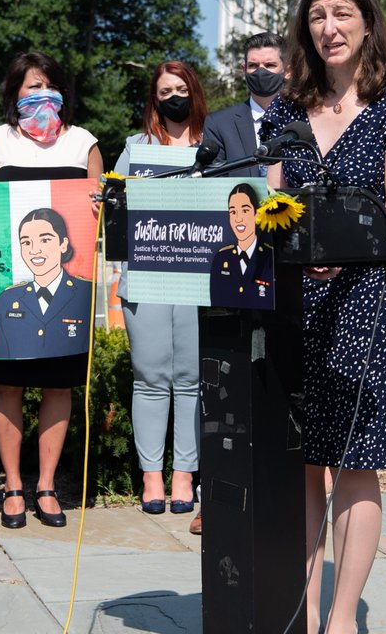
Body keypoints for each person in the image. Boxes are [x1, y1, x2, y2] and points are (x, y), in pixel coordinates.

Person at [263, 0, 386, 634]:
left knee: (355, 464)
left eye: (342, 14)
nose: (329, 29)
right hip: (293, 307)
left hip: (366, 304)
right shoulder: (285, 104)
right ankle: (304, 615)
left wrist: (341, 247)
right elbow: (274, 206)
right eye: (316, 17)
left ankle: (340, 620)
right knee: (303, 465)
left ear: (366, 20)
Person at [0, 51, 103, 529]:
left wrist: (108, 202)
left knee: (59, 385)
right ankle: (13, 485)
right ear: (13, 94)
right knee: (9, 385)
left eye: (46, 85)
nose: (38, 95)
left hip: (69, 291)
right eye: (28, 87)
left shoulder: (84, 143)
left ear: (62, 91)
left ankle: (46, 485)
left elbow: (101, 210)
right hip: (7, 289)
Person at [114, 60, 209, 535]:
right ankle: (152, 475)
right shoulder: (135, 149)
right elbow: (114, 208)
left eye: (180, 88)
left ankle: (184, 475)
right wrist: (106, 201)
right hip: (147, 278)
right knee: (150, 379)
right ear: (154, 99)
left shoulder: (215, 148)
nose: (173, 96)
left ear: (194, 91)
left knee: (191, 380)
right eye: (164, 90)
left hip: (198, 279)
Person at [0, 208, 91, 358]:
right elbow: (2, 361)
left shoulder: (86, 291)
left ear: (63, 244)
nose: (34, 250)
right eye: (26, 242)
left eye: (45, 240)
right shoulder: (7, 300)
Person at [203, 32, 287, 176]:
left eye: (269, 65)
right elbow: (214, 182)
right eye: (253, 65)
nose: (261, 71)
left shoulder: (305, 118)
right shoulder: (219, 124)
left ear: (287, 70)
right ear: (244, 70)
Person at [210, 183, 273, 308]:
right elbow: (216, 305)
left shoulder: (269, 256)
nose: (238, 218)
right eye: (233, 212)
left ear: (257, 214)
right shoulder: (221, 258)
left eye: (245, 210)